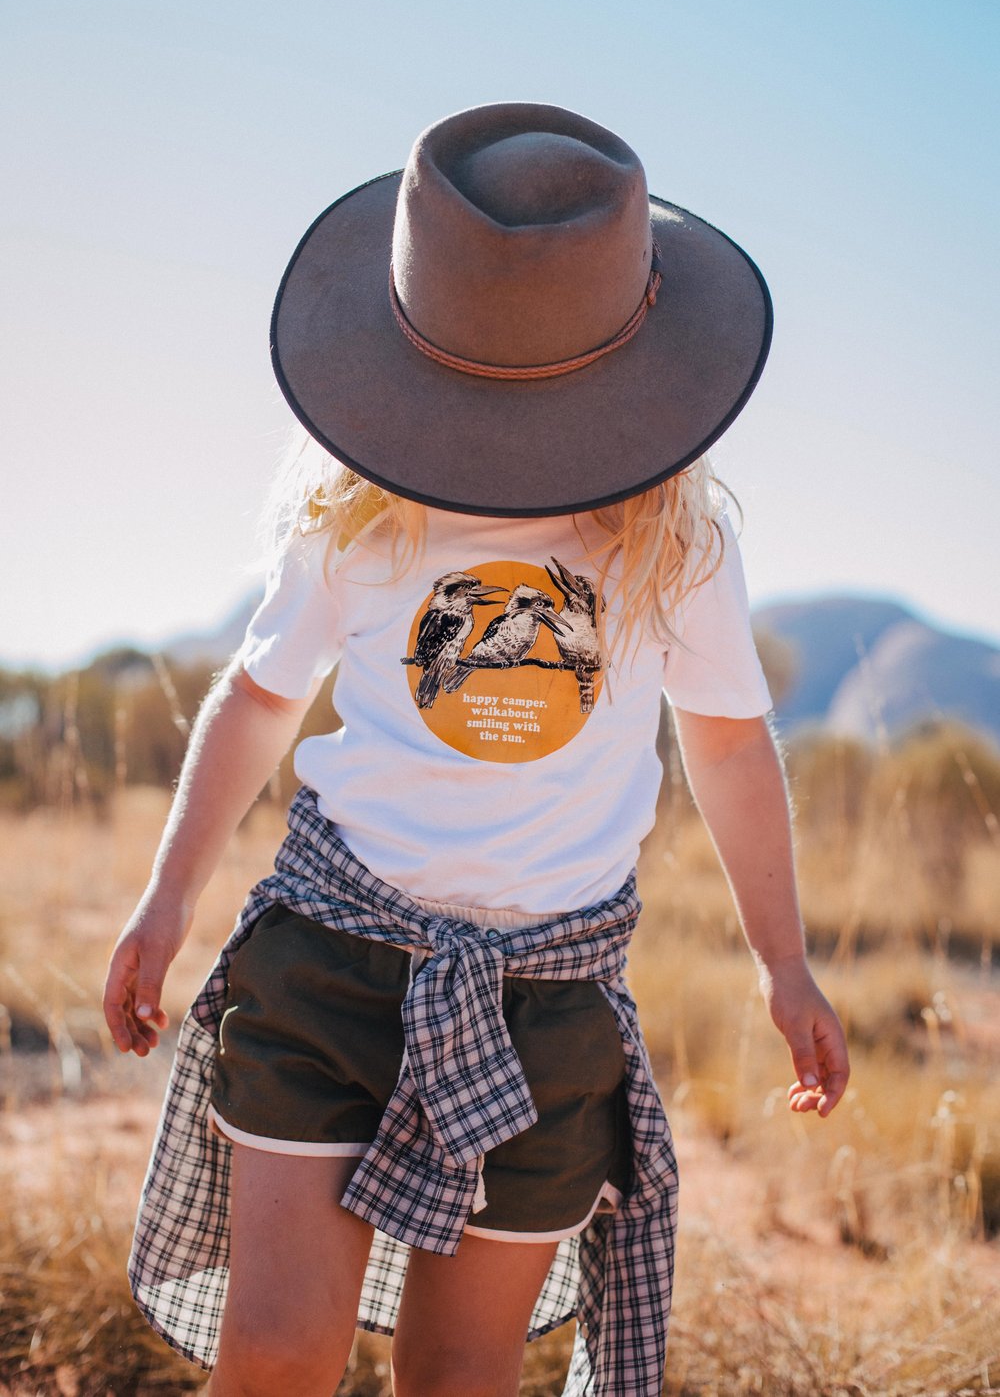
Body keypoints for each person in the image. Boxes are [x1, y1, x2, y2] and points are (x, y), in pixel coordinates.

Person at [103, 102, 849, 1397]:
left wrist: (785, 964)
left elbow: (728, 750)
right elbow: (261, 697)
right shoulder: (358, 504)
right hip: (330, 964)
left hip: (548, 1005)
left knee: (458, 1375)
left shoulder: (674, 543)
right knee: (278, 1349)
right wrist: (164, 903)